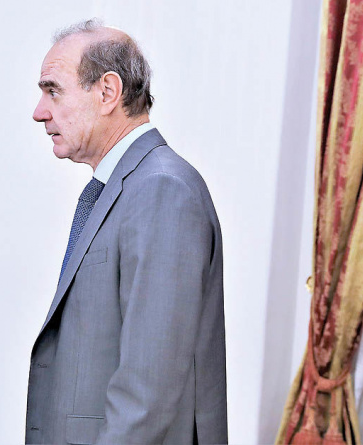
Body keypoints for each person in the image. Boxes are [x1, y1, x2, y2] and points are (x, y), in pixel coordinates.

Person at [25, 19, 227, 444]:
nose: (40, 111)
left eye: (53, 90)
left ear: (108, 92)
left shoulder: (161, 189)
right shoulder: (130, 184)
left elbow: (148, 389)